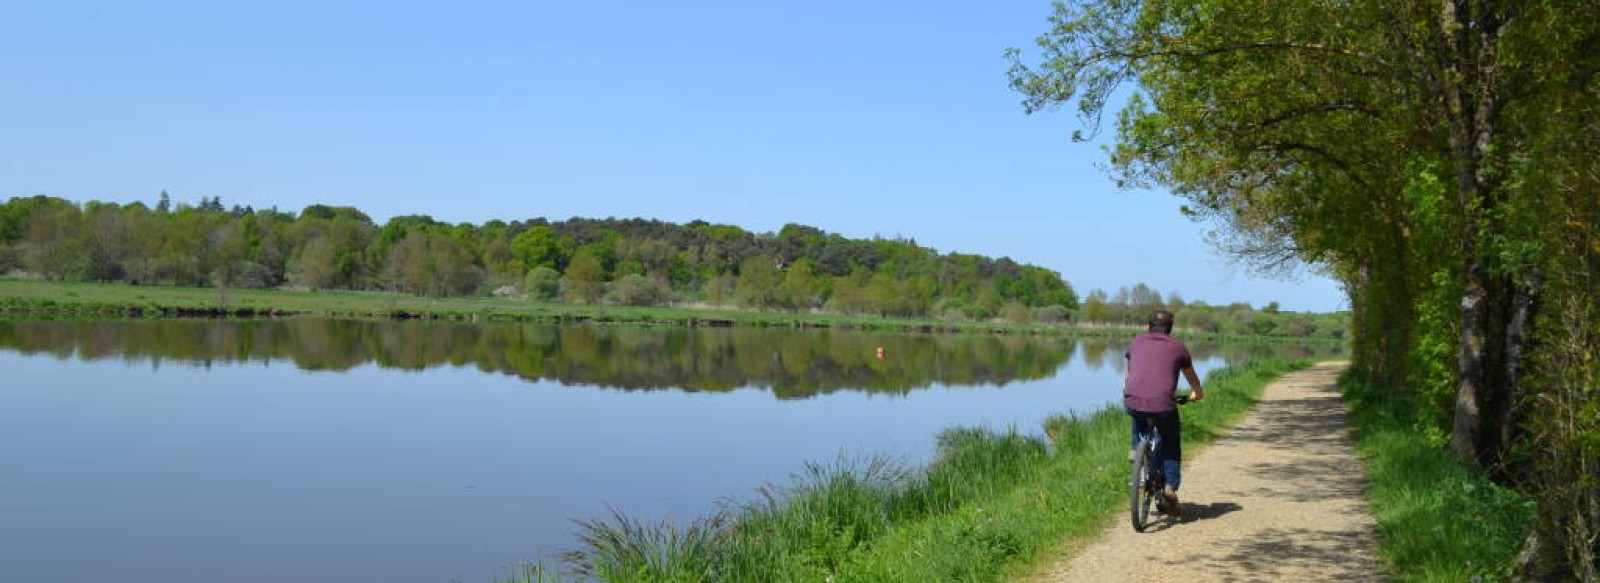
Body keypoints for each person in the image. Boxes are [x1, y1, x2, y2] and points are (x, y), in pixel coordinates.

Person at [1124, 310, 1205, 515]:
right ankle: (1170, 486)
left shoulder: (1135, 343)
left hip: (1133, 399)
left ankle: (1136, 448)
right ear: (1170, 329)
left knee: (1138, 413)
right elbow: (1191, 377)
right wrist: (1197, 393)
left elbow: (1128, 375)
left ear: (1148, 326)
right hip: (1163, 404)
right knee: (1170, 441)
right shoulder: (1178, 347)